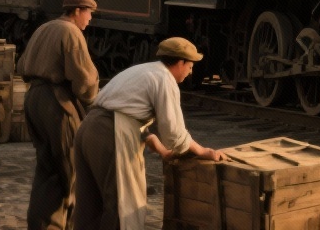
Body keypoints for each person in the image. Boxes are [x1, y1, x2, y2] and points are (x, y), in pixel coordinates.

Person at [73, 37, 223, 230]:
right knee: (123, 208)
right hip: (111, 133)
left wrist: (159, 147)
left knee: (90, 207)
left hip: (89, 128)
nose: (191, 71)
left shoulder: (143, 70)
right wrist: (202, 151)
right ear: (180, 62)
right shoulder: (165, 79)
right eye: (190, 66)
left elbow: (132, 113)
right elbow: (174, 134)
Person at [17, 0, 101, 230]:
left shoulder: (45, 28)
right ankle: (63, 224)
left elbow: (22, 64)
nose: (89, 20)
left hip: (34, 98)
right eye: (89, 13)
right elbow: (83, 80)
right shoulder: (70, 32)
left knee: (47, 169)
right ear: (76, 11)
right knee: (69, 168)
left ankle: (41, 224)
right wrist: (91, 98)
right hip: (56, 102)